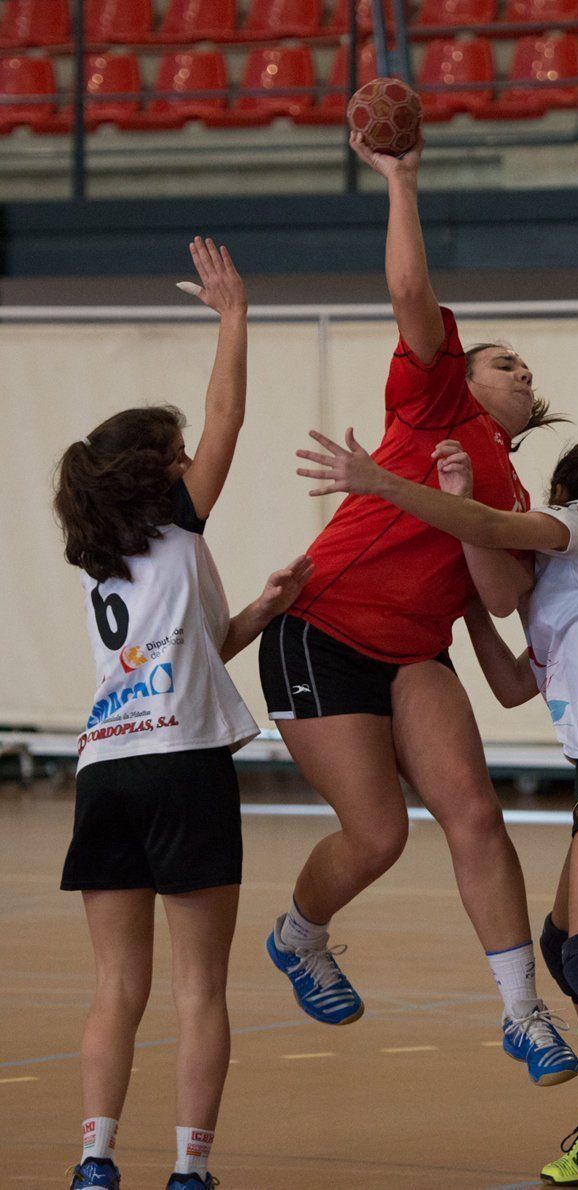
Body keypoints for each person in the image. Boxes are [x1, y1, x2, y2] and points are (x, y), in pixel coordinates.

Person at [294, 425, 578, 1190]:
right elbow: (514, 685)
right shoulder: (575, 584)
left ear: (561, 495)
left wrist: (402, 488)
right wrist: (464, 601)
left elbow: (490, 526)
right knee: (564, 942)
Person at [258, 132, 578, 1086]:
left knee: (477, 816)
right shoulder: (432, 406)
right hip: (320, 629)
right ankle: (297, 934)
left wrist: (477, 521)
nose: (520, 373)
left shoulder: (518, 504)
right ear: (462, 375)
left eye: (526, 370)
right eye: (502, 362)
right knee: (381, 834)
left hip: (413, 654)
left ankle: (523, 1012)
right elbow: (409, 295)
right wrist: (401, 179)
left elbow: (497, 597)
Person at [53, 238, 313, 1190]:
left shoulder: (102, 566)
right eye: (176, 455)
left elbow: (189, 658)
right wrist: (234, 316)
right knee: (199, 984)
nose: (190, 458)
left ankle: (93, 1161)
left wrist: (261, 610)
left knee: (116, 989)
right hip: (180, 764)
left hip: (105, 766)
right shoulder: (176, 520)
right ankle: (189, 1171)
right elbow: (229, 417)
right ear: (158, 473)